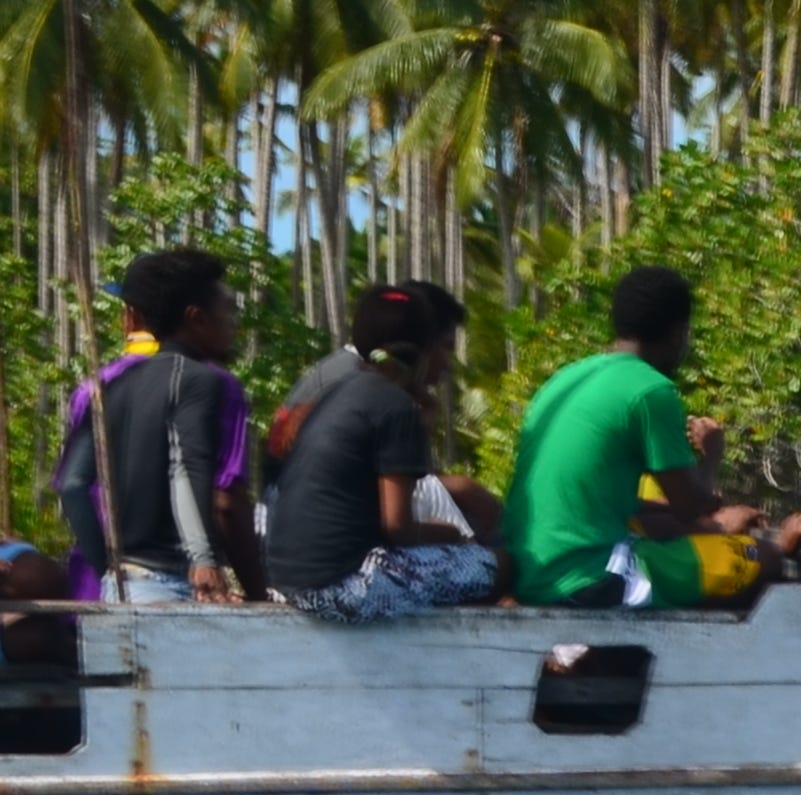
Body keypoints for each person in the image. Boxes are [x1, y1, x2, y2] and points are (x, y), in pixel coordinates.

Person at [514, 268, 801, 604]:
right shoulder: (651, 390)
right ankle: (777, 550)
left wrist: (713, 522)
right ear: (678, 331)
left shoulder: (563, 381)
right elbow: (690, 507)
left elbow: (623, 506)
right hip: (589, 574)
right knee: (762, 556)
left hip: (529, 568)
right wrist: (712, 458)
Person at [264, 281, 506, 620]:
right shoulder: (394, 405)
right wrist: (451, 533)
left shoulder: (341, 391)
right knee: (500, 566)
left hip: (287, 580)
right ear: (424, 348)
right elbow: (399, 530)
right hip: (336, 591)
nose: (447, 363)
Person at [48, 249, 266, 604]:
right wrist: (204, 559)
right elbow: (185, 465)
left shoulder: (109, 385)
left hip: (120, 585)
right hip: (173, 582)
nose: (234, 325)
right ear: (196, 318)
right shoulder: (200, 381)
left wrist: (106, 565)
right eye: (227, 312)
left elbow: (72, 484)